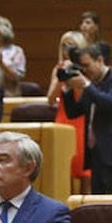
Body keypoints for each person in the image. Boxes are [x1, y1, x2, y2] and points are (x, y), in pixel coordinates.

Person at [61, 43, 112, 194]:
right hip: (97, 155)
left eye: (87, 65)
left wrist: (87, 85)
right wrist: (67, 88)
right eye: (82, 67)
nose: (85, 70)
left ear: (100, 61)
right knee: (98, 204)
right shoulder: (92, 85)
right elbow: (73, 112)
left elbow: (110, 103)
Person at [45, 30, 88, 185]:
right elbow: (50, 100)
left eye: (71, 45)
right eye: (64, 45)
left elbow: (85, 96)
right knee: (64, 170)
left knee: (85, 172)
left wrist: (74, 74)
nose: (67, 49)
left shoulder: (86, 69)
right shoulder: (58, 69)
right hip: (63, 120)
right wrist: (60, 77)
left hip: (81, 120)